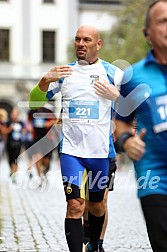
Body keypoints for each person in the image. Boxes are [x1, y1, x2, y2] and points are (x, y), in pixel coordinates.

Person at [29, 25, 123, 252]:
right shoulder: (64, 73)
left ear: (97, 44)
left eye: (86, 40)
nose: (80, 44)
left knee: (97, 205)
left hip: (100, 152)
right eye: (77, 39)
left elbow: (134, 110)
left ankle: (95, 244)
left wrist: (116, 96)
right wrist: (44, 80)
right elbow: (34, 101)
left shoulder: (113, 73)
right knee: (74, 205)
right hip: (71, 152)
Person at [96, 1, 167, 251]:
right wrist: (127, 141)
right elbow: (121, 123)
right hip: (156, 177)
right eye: (162, 21)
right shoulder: (134, 77)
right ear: (147, 33)